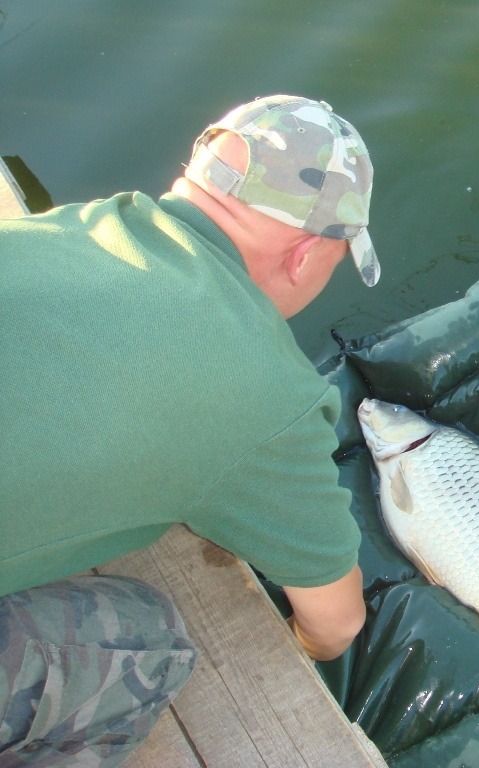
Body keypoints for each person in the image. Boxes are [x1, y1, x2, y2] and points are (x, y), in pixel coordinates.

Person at [0, 94, 376, 765]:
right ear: (304, 256)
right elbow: (338, 623)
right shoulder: (265, 391)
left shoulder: (80, 226)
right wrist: (305, 644)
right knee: (145, 643)